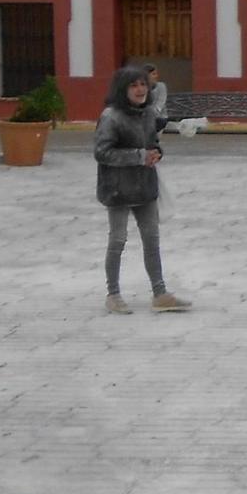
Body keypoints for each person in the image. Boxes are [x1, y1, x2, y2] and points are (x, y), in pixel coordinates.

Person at [95, 64, 191, 314]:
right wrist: (138, 156)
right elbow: (102, 152)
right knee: (118, 239)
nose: (140, 90)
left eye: (143, 85)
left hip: (145, 186)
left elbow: (153, 142)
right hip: (117, 188)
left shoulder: (149, 113)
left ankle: (160, 293)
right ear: (122, 89)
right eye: (134, 85)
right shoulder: (110, 117)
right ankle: (113, 294)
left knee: (152, 239)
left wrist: (156, 153)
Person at [144, 63, 169, 134]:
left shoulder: (161, 87)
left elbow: (159, 105)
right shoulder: (142, 87)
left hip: (159, 118)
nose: (156, 76)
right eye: (153, 74)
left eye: (156, 74)